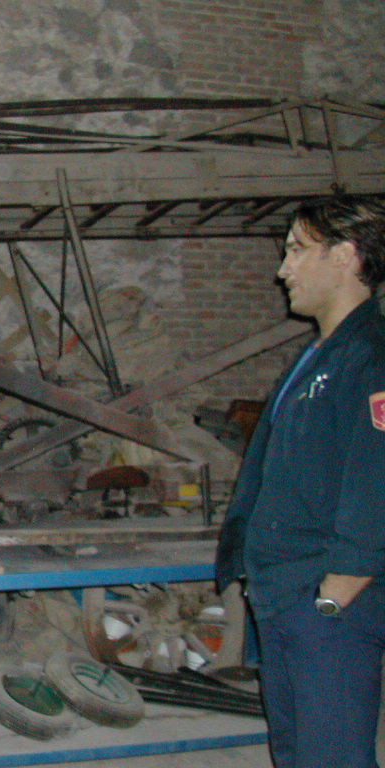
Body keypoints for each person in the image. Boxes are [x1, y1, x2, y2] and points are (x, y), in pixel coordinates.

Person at [216, 194, 385, 768]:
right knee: (294, 753)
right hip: (288, 593)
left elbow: (377, 476)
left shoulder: (370, 356)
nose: (281, 269)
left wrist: (335, 597)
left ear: (346, 256)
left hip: (324, 604)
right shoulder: (317, 358)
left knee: (331, 756)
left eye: (296, 251)